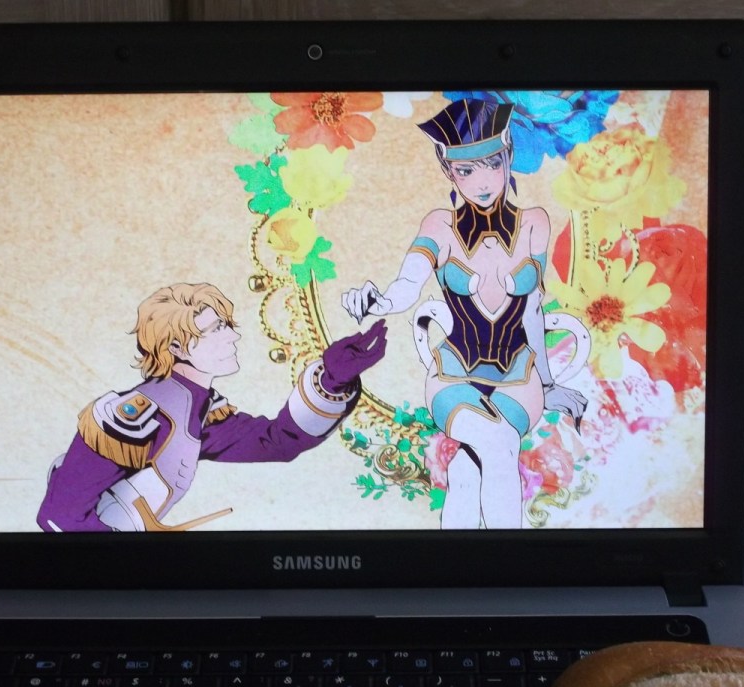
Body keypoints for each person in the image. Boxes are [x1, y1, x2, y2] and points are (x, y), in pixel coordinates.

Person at [342, 98, 587, 529]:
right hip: (454, 375)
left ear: (508, 153)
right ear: (447, 169)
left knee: (467, 471)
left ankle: (456, 564)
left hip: (520, 378)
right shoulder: (439, 226)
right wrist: (376, 301)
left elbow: (532, 307)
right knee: (498, 445)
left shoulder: (534, 222)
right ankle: (509, 567)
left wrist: (548, 384)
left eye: (492, 163)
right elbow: (407, 285)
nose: (483, 181)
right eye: (466, 170)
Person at [38, 282, 386, 532]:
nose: (233, 336)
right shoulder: (134, 416)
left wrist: (331, 380)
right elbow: (58, 516)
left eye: (228, 325)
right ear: (177, 347)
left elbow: (278, 441)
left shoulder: (202, 411)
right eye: (217, 328)